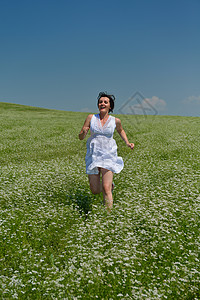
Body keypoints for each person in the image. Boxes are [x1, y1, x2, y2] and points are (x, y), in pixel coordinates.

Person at [79, 92, 134, 212]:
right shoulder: (91, 118)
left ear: (110, 106)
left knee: (106, 188)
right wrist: (83, 132)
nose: (102, 103)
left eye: (105, 102)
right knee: (95, 190)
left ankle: (108, 215)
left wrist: (127, 142)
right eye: (100, 102)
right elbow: (81, 137)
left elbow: (121, 130)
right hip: (94, 154)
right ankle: (110, 186)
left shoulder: (115, 121)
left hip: (109, 154)